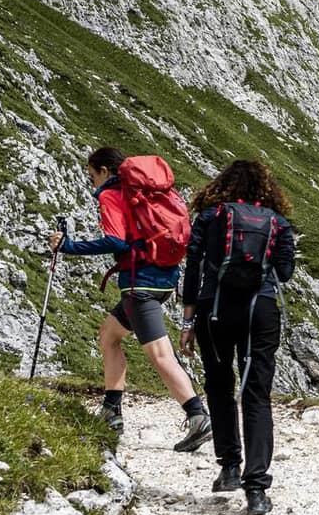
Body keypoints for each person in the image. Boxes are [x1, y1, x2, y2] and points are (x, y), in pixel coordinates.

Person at [51, 147, 213, 451]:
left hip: (140, 287)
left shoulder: (111, 195)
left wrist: (69, 247)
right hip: (163, 281)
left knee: (159, 355)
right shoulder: (144, 193)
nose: (92, 183)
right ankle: (112, 411)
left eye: (92, 176)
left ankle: (197, 416)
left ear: (104, 170)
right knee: (109, 334)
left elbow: (116, 241)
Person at [181, 158, 297, 515]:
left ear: (223, 184)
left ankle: (230, 465)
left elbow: (194, 265)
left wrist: (187, 321)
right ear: (265, 189)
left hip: (214, 308)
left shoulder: (210, 217)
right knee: (256, 394)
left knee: (219, 384)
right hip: (259, 311)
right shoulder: (278, 223)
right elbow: (285, 272)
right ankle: (257, 489)